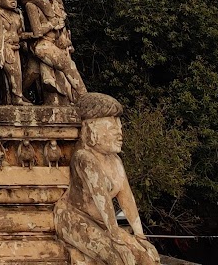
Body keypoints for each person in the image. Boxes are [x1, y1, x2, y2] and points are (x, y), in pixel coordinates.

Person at [54, 94, 159, 265]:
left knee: (148, 257)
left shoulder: (115, 160)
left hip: (102, 222)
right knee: (117, 259)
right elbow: (102, 200)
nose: (120, 135)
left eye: (120, 129)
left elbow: (126, 197)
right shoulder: (85, 158)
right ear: (93, 132)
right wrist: (116, 238)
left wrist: (139, 235)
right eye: (113, 130)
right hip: (73, 217)